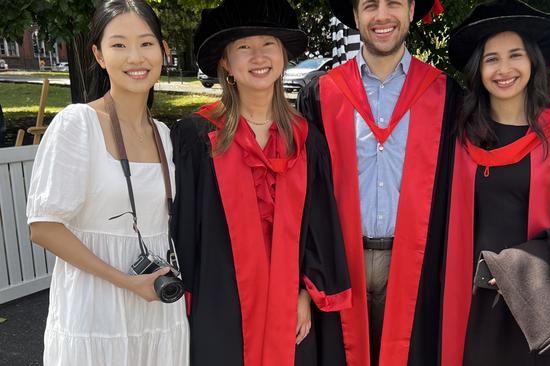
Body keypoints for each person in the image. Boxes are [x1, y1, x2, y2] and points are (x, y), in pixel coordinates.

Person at [171, 0, 352, 365]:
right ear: (226, 62)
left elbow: (319, 226)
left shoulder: (306, 140)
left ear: (283, 56)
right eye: (243, 47)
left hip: (290, 305)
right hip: (221, 306)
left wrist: (305, 292)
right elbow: (184, 231)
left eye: (268, 44)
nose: (258, 57)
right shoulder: (197, 137)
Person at [441, 1, 550, 365]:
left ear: (533, 61)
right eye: (491, 59)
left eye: (515, 55)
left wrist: (517, 268)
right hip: (465, 302)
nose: (503, 69)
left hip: (536, 306)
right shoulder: (458, 136)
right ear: (478, 68)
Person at [26, 1, 189, 365]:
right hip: (95, 309)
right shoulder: (77, 124)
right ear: (99, 55)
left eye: (147, 43)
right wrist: (125, 281)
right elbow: (44, 227)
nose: (136, 56)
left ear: (164, 51)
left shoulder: (165, 135)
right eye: (119, 45)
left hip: (158, 309)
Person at [298, 0, 460, 365]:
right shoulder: (322, 92)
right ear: (356, 15)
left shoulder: (444, 94)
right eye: (370, 5)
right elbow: (307, 195)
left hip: (415, 264)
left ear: (411, 9)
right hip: (340, 264)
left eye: (394, 3)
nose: (382, 15)